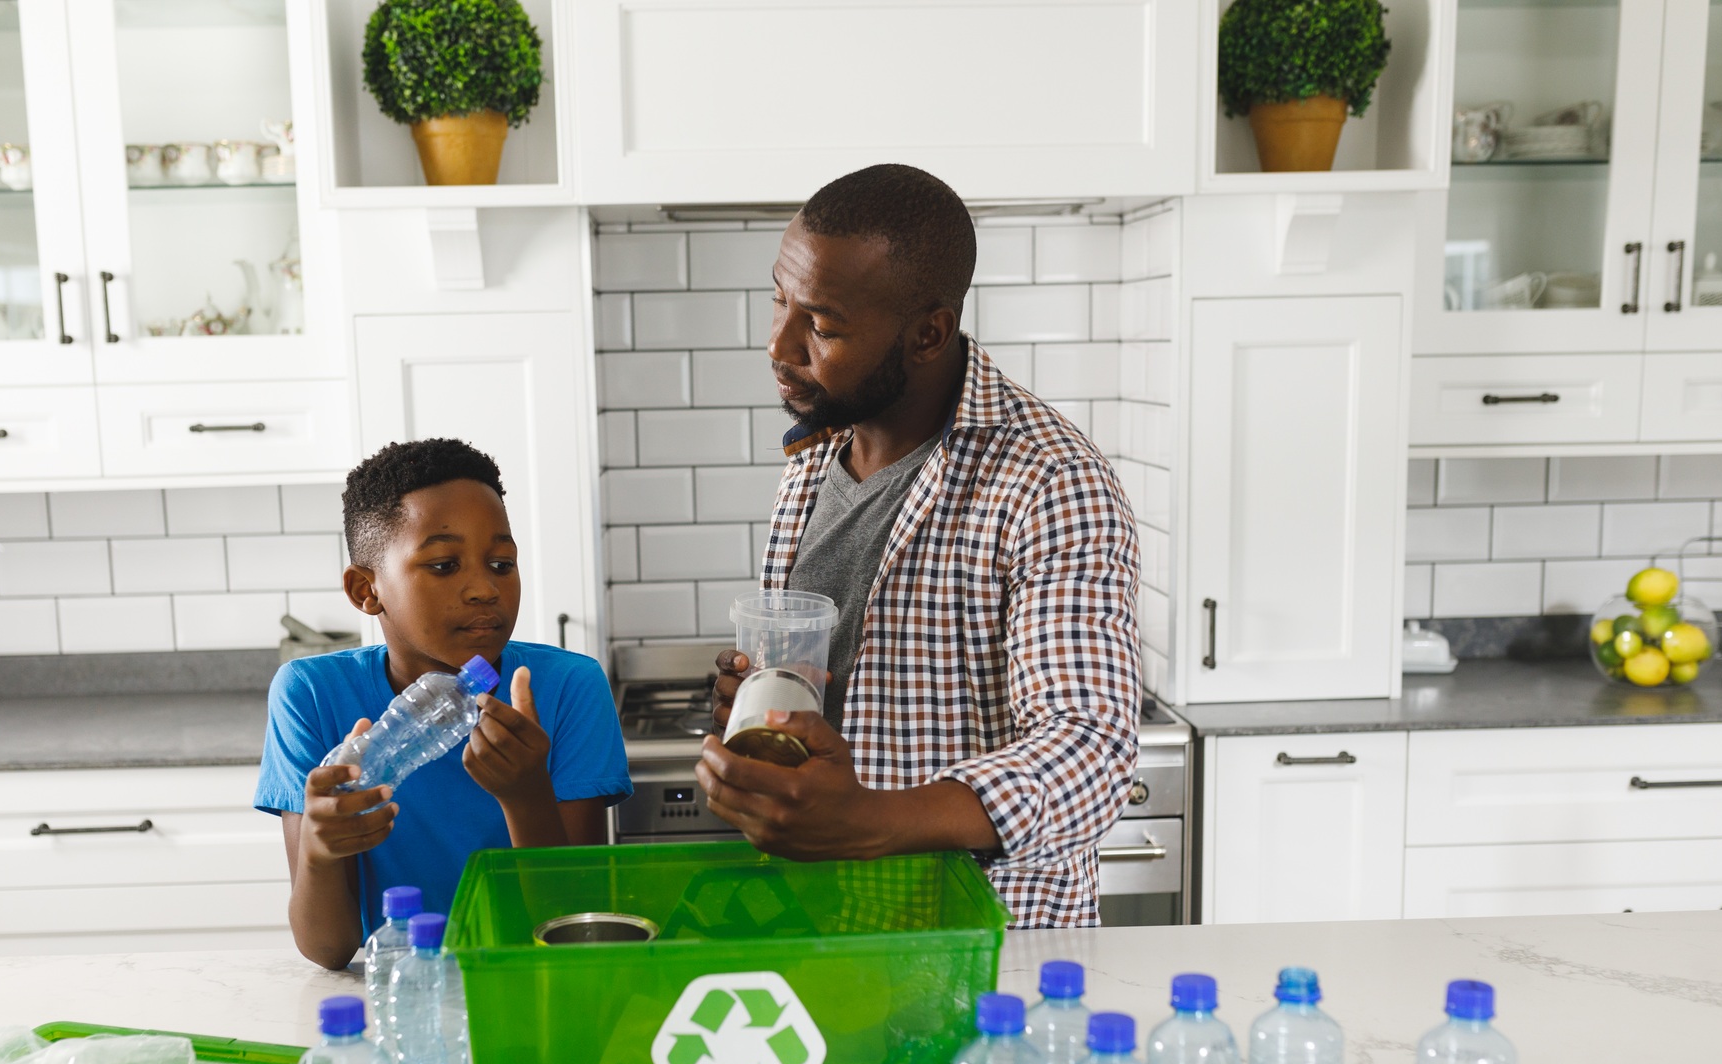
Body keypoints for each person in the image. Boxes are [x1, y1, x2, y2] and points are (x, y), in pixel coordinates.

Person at [702, 164, 1140, 929]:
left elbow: (1091, 753)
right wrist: (763, 708)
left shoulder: (1050, 481)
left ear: (929, 332)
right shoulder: (811, 464)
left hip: (983, 959)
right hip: (833, 938)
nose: (779, 344)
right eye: (779, 298)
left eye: (824, 326)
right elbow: (840, 708)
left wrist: (871, 820)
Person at [257, 438, 631, 969]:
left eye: (502, 563)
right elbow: (328, 949)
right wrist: (319, 850)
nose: (484, 588)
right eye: (443, 565)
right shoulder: (311, 694)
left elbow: (575, 926)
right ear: (366, 589)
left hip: (530, 986)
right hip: (399, 996)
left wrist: (526, 796)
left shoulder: (570, 685)